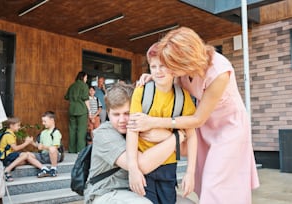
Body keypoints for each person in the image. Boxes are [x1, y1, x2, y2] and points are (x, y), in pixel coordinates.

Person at [127, 27, 260, 204]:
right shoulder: (182, 70)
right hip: (203, 127)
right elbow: (167, 82)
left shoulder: (219, 71)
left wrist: (152, 122)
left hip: (228, 126)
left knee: (217, 183)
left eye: (172, 63)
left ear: (186, 58)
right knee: (206, 180)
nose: (170, 67)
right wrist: (153, 76)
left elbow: (198, 119)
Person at [84, 83, 194, 204]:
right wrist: (177, 136)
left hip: (135, 190)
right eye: (116, 114)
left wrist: (166, 135)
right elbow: (142, 165)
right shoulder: (104, 134)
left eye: (127, 113)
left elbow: (184, 151)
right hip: (105, 192)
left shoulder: (140, 127)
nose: (122, 120)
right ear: (108, 114)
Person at [126, 43, 197, 204]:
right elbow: (132, 131)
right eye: (153, 66)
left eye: (163, 66)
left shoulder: (183, 97)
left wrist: (190, 173)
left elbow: (192, 136)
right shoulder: (142, 92)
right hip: (144, 163)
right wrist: (133, 169)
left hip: (168, 165)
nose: (158, 71)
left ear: (173, 67)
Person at [0, 117, 47, 182]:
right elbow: (15, 148)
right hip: (5, 157)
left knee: (26, 160)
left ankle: (44, 169)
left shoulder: (10, 133)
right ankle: (7, 170)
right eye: (18, 125)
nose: (19, 127)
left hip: (8, 157)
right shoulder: (8, 135)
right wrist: (26, 143)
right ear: (11, 126)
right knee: (25, 155)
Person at [65, 71, 90, 153]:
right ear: (83, 77)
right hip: (81, 110)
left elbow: (66, 97)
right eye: (86, 77)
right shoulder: (84, 86)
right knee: (81, 130)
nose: (87, 79)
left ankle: (71, 149)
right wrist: (90, 111)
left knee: (72, 130)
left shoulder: (72, 86)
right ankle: (80, 150)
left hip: (72, 110)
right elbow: (86, 99)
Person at [31, 111, 62, 178]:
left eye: (45, 121)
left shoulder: (56, 132)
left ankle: (53, 168)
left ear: (52, 120)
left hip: (54, 155)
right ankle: (44, 168)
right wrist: (32, 143)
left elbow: (55, 147)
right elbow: (40, 146)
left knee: (52, 149)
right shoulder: (43, 133)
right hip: (43, 155)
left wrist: (43, 147)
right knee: (27, 155)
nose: (43, 123)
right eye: (42, 121)